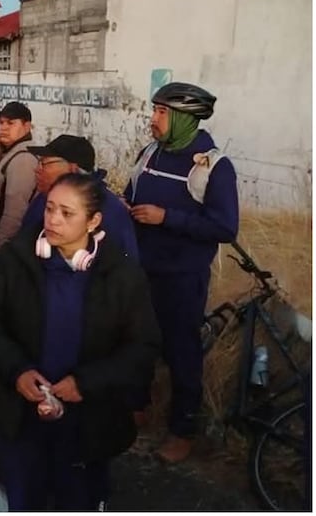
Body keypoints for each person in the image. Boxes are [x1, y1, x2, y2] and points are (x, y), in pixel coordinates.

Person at [0, 173, 161, 511]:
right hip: (23, 417)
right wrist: (16, 370)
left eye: (67, 213)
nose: (53, 220)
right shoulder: (17, 260)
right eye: (50, 209)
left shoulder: (122, 276)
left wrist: (85, 383)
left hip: (90, 420)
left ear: (94, 221)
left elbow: (142, 348)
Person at [123, 82, 239, 463]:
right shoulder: (150, 152)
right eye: (153, 111)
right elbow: (132, 191)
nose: (152, 120)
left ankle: (182, 429)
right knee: (137, 340)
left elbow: (224, 228)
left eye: (161, 113)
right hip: (142, 267)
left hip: (182, 277)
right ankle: (136, 407)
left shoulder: (214, 166)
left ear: (186, 119)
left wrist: (165, 218)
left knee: (181, 352)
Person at [21, 134, 139, 259]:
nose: (37, 170)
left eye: (45, 164)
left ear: (72, 169)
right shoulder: (44, 197)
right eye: (50, 209)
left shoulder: (109, 210)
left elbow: (126, 263)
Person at [0, 101, 39, 254]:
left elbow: (14, 212)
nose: (3, 128)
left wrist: (0, 249)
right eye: (1, 122)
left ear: (26, 127)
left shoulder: (23, 159)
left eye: (11, 123)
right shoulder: (11, 152)